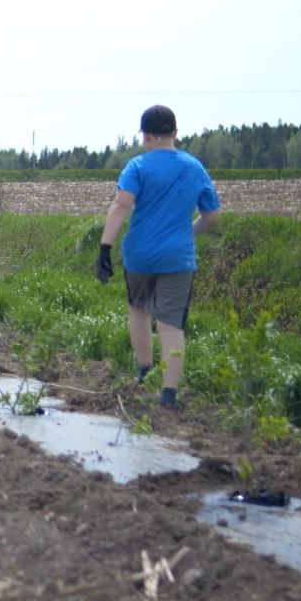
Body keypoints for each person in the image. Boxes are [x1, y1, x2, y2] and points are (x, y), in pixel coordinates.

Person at [96, 105, 221, 412]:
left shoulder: (137, 166)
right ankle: (168, 395)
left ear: (146, 135)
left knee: (138, 310)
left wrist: (104, 247)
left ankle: (144, 374)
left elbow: (122, 204)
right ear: (175, 133)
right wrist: (187, 233)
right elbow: (212, 216)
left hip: (139, 255)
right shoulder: (194, 168)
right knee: (170, 324)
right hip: (178, 258)